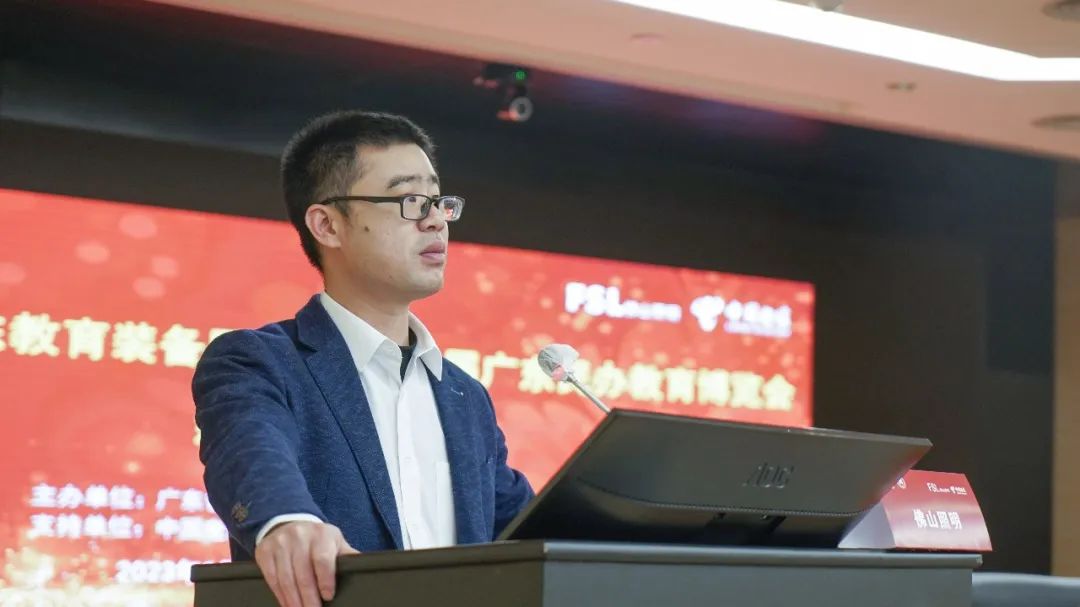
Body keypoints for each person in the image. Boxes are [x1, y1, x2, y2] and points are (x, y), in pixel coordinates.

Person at [192, 110, 534, 607]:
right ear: (328, 225)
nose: (435, 219)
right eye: (410, 200)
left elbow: (523, 528)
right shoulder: (259, 362)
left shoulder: (465, 396)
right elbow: (248, 452)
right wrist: (287, 522)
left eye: (438, 200)